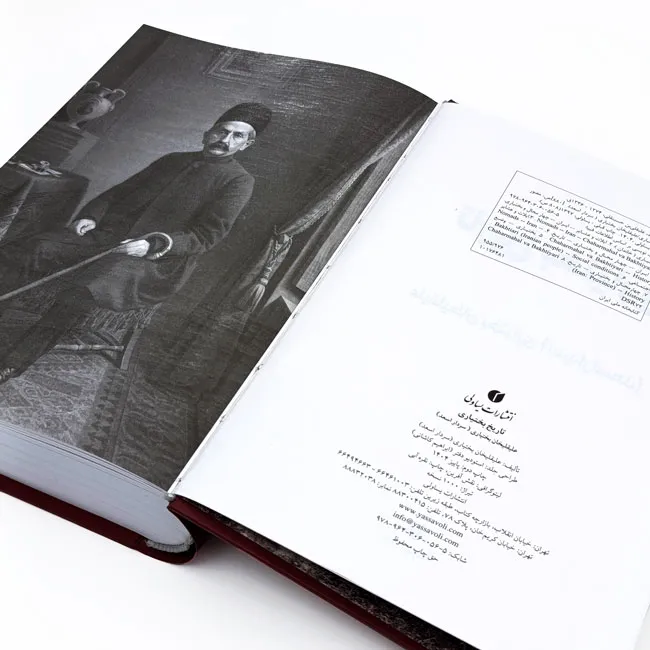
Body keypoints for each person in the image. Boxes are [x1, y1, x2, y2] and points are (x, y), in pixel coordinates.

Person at [0, 101, 272, 382]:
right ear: (208, 132)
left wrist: (153, 245)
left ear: (247, 144)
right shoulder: (172, 159)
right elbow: (121, 192)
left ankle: (13, 362)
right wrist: (92, 215)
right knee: (35, 247)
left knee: (91, 285)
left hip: (155, 263)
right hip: (106, 238)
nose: (225, 140)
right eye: (222, 131)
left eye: (237, 136)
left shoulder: (239, 181)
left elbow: (207, 236)